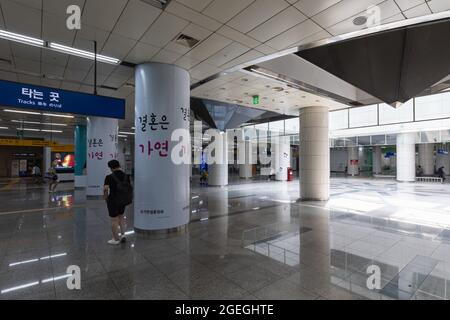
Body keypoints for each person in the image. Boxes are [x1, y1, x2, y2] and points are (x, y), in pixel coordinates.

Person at [104, 160, 132, 245]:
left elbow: (105, 189)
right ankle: (123, 235)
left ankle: (116, 239)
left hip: (113, 200)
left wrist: (105, 198)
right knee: (121, 217)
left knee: (114, 219)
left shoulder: (109, 177)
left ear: (111, 168)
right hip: (123, 200)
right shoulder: (126, 176)